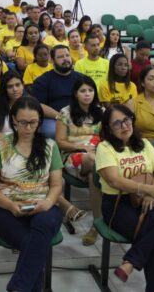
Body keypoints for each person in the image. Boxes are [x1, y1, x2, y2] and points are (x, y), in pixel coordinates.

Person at [0, 96, 63, 292]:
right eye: (23, 122)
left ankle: (18, 287)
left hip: (44, 204)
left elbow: (56, 185)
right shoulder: (1, 146)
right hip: (4, 207)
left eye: (33, 122)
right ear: (13, 120)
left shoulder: (49, 146)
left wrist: (48, 202)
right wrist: (10, 205)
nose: (28, 127)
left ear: (40, 121)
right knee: (34, 243)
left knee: (42, 226)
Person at [96, 104, 154, 290]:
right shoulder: (104, 148)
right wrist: (147, 189)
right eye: (117, 123)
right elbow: (114, 180)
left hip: (144, 197)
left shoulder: (144, 144)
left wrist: (152, 191)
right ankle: (136, 265)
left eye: (127, 120)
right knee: (153, 241)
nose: (124, 126)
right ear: (108, 129)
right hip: (117, 203)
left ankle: (131, 261)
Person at [55, 76, 104, 246]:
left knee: (93, 175)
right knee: (92, 160)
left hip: (97, 156)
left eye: (90, 90)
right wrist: (81, 147)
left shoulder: (101, 111)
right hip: (72, 155)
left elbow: (107, 137)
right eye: (83, 91)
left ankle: (96, 224)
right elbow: (60, 142)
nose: (87, 94)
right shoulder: (65, 112)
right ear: (76, 93)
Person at [30, 45, 83, 139]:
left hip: (79, 116)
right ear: (52, 61)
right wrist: (62, 117)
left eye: (67, 55)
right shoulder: (43, 80)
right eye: (60, 57)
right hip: (54, 118)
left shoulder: (81, 78)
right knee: (52, 131)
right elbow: (38, 105)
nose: (65, 59)